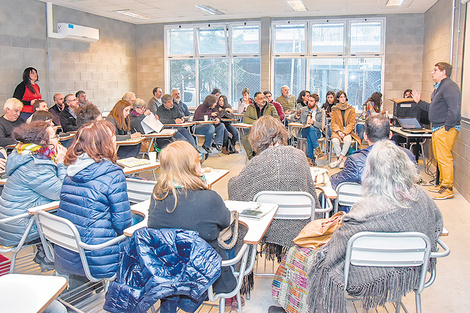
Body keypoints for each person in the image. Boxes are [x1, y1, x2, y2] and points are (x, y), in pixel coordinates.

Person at [272, 140, 443, 313]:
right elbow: (436, 226)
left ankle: (301, 307)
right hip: (407, 269)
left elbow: (334, 252)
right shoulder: (423, 199)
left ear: (371, 173)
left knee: (300, 253)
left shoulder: (363, 211)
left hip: (359, 274)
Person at [147, 140, 238, 308]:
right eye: (198, 160)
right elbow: (226, 221)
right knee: (232, 237)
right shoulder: (208, 198)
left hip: (167, 275)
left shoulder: (158, 196)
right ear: (192, 166)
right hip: (206, 278)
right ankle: (233, 290)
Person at [229, 115, 319, 257]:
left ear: (257, 137)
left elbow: (235, 188)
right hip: (299, 225)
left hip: (266, 227)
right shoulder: (300, 156)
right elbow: (310, 189)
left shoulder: (257, 162)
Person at [55, 120, 132, 279]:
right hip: (101, 260)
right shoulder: (113, 174)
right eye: (112, 137)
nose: (115, 140)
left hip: (67, 255)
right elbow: (122, 224)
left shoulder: (70, 171)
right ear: (104, 143)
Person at [0, 121, 67, 269]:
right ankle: (64, 266)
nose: (58, 139)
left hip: (12, 221)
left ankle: (53, 259)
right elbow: (61, 192)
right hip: (21, 227)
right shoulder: (35, 165)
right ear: (44, 142)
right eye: (54, 136)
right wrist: (62, 164)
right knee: (74, 219)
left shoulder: (23, 154)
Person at [412, 62, 461, 200]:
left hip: (445, 128)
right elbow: (431, 108)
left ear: (443, 72)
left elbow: (454, 108)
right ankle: (442, 185)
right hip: (438, 127)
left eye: (435, 70)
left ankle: (448, 188)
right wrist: (419, 102)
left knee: (445, 158)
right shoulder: (439, 88)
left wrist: (447, 127)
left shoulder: (449, 87)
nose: (432, 73)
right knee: (440, 157)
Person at [331, 115, 416, 189]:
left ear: (365, 136)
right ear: (390, 135)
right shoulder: (408, 155)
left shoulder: (355, 161)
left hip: (366, 205)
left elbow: (335, 183)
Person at [242, 92, 280, 159]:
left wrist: (265, 123)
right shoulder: (250, 107)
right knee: (245, 138)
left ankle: (264, 156)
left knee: (265, 139)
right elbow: (246, 119)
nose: (264, 100)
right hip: (254, 131)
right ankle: (252, 157)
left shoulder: (271, 107)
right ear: (255, 100)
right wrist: (258, 123)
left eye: (264, 98)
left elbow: (277, 119)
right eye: (261, 98)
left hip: (268, 132)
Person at [329, 91, 360, 169]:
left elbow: (351, 123)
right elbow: (333, 123)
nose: (343, 99)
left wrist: (345, 132)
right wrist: (339, 131)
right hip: (337, 131)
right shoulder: (334, 109)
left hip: (347, 131)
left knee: (348, 140)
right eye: (341, 97)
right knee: (335, 141)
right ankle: (342, 160)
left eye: (344, 97)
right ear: (338, 99)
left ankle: (339, 160)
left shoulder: (351, 109)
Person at [291, 93, 324, 166]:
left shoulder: (320, 112)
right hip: (304, 130)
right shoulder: (303, 110)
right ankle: (317, 148)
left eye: (311, 101)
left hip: (316, 132)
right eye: (308, 100)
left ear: (316, 102)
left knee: (310, 135)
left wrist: (313, 122)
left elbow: (322, 126)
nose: (309, 102)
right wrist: (296, 117)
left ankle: (310, 159)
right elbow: (292, 118)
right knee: (310, 129)